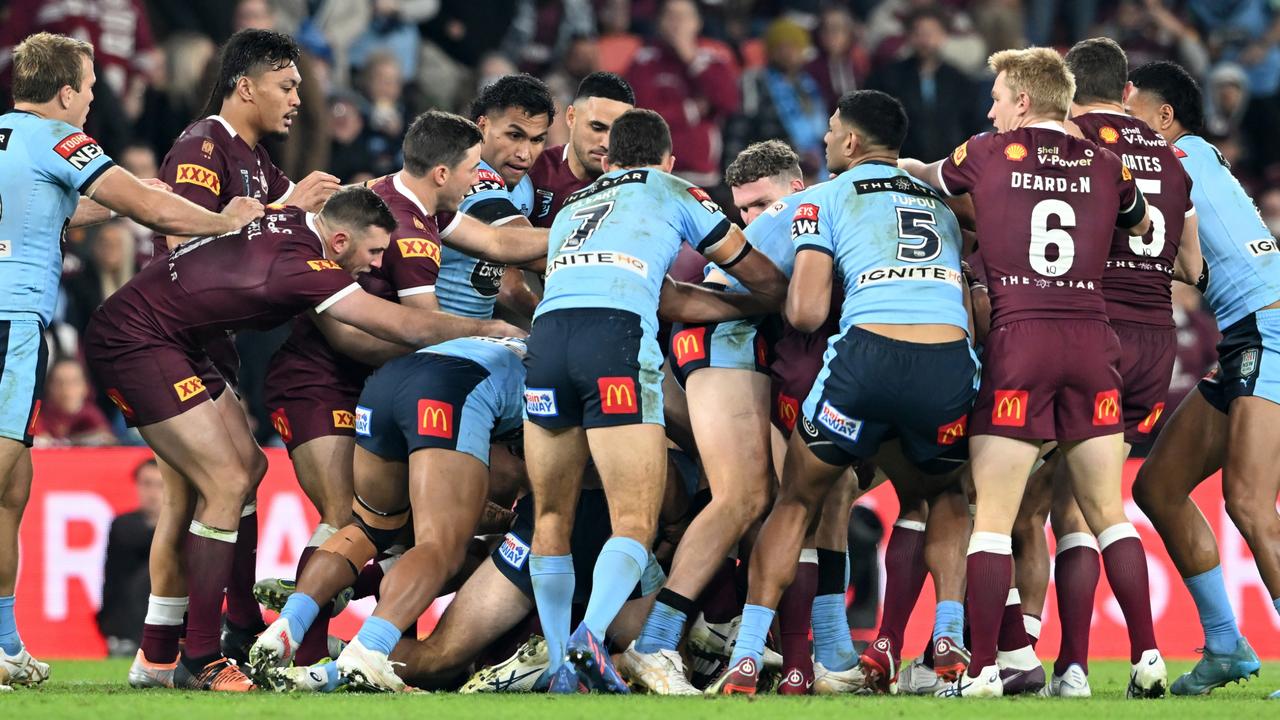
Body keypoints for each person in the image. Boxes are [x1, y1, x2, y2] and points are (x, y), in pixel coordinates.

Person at [84, 187, 524, 691]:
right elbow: (399, 322)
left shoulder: (294, 222)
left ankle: (238, 630)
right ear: (338, 241)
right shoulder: (304, 268)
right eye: (375, 252)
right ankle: (199, 655)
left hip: (179, 340)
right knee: (225, 483)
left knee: (249, 470)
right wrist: (488, 329)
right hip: (136, 338)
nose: (379, 264)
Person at [0, 31, 263, 691]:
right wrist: (222, 219)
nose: (92, 102)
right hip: (11, 321)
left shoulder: (8, 138)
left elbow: (54, 214)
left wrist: (125, 196)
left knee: (12, 488)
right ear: (64, 92)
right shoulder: (62, 140)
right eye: (88, 89)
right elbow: (145, 208)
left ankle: (4, 642)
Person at [900, 46, 1165, 698]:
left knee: (992, 516)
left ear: (1022, 100)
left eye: (996, 97)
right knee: (1109, 513)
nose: (990, 108)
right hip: (1093, 341)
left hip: (1022, 340)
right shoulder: (1109, 165)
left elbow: (921, 174)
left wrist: (884, 167)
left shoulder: (987, 151)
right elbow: (1144, 224)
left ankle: (986, 671)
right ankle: (1149, 657)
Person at [259, 109, 552, 670]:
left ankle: (291, 632)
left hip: (378, 385)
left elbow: (495, 242)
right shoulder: (412, 235)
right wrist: (491, 332)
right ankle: (354, 656)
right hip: (327, 380)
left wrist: (576, 232)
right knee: (415, 538)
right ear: (442, 173)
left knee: (372, 526)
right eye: (473, 169)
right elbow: (422, 329)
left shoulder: (391, 198)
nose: (480, 180)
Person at [707, 90, 977, 697]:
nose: (825, 140)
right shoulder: (941, 199)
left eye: (830, 131)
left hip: (867, 356)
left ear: (851, 142)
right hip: (947, 361)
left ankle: (748, 657)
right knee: (945, 495)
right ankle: (948, 636)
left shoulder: (820, 199)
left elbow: (804, 314)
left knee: (799, 500)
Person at [524, 108, 788, 693]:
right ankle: (588, 639)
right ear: (668, 159)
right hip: (612, 340)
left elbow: (669, 295)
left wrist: (741, 306)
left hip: (546, 342)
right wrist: (783, 297)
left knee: (550, 517)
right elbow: (749, 266)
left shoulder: (576, 204)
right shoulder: (676, 189)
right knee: (637, 520)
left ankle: (561, 667)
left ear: (609, 160)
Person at [137, 27, 344, 682]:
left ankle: (165, 651)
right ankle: (209, 647)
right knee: (224, 483)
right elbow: (183, 248)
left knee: (207, 492)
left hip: (209, 346)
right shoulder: (201, 146)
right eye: (286, 86)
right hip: (170, 342)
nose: (295, 100)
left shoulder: (254, 159)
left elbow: (284, 235)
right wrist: (286, 208)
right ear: (245, 86)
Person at [1012, 38, 1199, 698]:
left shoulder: (1067, 138)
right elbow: (1191, 265)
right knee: (1090, 499)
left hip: (1093, 332)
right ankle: (1133, 658)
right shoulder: (1173, 161)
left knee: (1056, 504)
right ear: (1126, 93)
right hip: (1157, 341)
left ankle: (1060, 662)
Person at [252, 336, 528, 692]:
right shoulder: (577, 379)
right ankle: (369, 652)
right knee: (441, 547)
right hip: (449, 391)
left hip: (388, 382)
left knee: (368, 528)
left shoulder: (535, 344)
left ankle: (288, 624)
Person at [1127, 60, 1280, 698]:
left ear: (1165, 118)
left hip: (1270, 329)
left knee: (1247, 502)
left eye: (1131, 116)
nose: (1120, 130)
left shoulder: (1177, 158)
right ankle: (1225, 643)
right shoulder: (1191, 159)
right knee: (1159, 488)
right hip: (1243, 333)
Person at [437, 74, 554, 324]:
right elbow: (526, 252)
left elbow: (505, 277)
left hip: (471, 333)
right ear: (482, 127)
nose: (524, 154)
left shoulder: (522, 187)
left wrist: (543, 318)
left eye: (537, 140)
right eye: (514, 135)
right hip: (426, 331)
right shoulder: (464, 173)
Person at [625, 0, 740, 187]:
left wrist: (691, 60)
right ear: (659, 22)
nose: (677, 22)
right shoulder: (643, 61)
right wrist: (691, 110)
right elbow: (643, 117)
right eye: (670, 16)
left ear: (698, 22)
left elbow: (729, 102)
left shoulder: (714, 60)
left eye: (684, 16)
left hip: (702, 175)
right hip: (653, 172)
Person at [529, 72, 635, 227]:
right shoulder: (532, 170)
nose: (606, 143)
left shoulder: (632, 188)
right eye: (597, 127)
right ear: (571, 117)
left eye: (618, 132)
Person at [98, 459, 164, 657]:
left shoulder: (185, 527)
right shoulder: (123, 525)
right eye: (146, 484)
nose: (152, 493)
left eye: (160, 485)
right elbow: (140, 542)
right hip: (126, 615)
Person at [31, 358, 116, 447]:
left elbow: (107, 439)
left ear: (86, 387)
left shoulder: (91, 415)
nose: (66, 390)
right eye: (59, 383)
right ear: (48, 387)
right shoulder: (37, 415)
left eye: (74, 382)